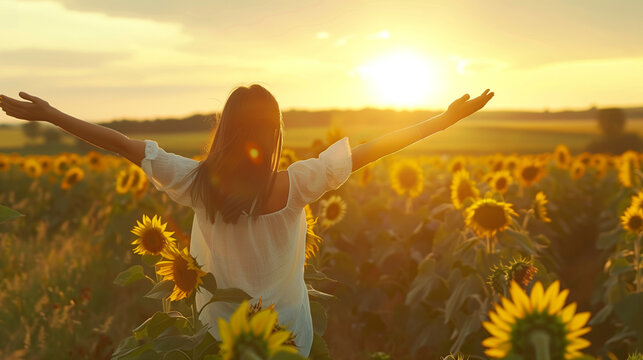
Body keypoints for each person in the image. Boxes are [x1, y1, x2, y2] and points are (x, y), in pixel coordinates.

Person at [0, 85, 493, 356]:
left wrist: (52, 115)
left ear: (225, 130)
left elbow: (122, 143)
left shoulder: (196, 182)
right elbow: (374, 149)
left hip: (222, 341)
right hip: (290, 340)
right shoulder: (298, 183)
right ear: (275, 131)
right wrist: (443, 121)